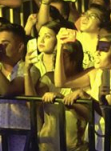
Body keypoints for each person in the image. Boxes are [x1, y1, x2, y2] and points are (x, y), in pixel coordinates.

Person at [54, 33, 111, 151]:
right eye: (97, 49)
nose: (97, 53)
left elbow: (107, 109)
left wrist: (87, 97)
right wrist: (59, 46)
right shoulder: (97, 73)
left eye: (104, 50)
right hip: (95, 135)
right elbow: (60, 83)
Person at [24, 22, 87, 150]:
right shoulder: (48, 78)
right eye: (55, 54)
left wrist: (62, 98)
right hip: (48, 145)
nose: (56, 59)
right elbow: (32, 104)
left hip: (75, 147)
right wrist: (26, 71)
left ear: (75, 59)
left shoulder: (84, 80)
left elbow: (90, 114)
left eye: (63, 55)